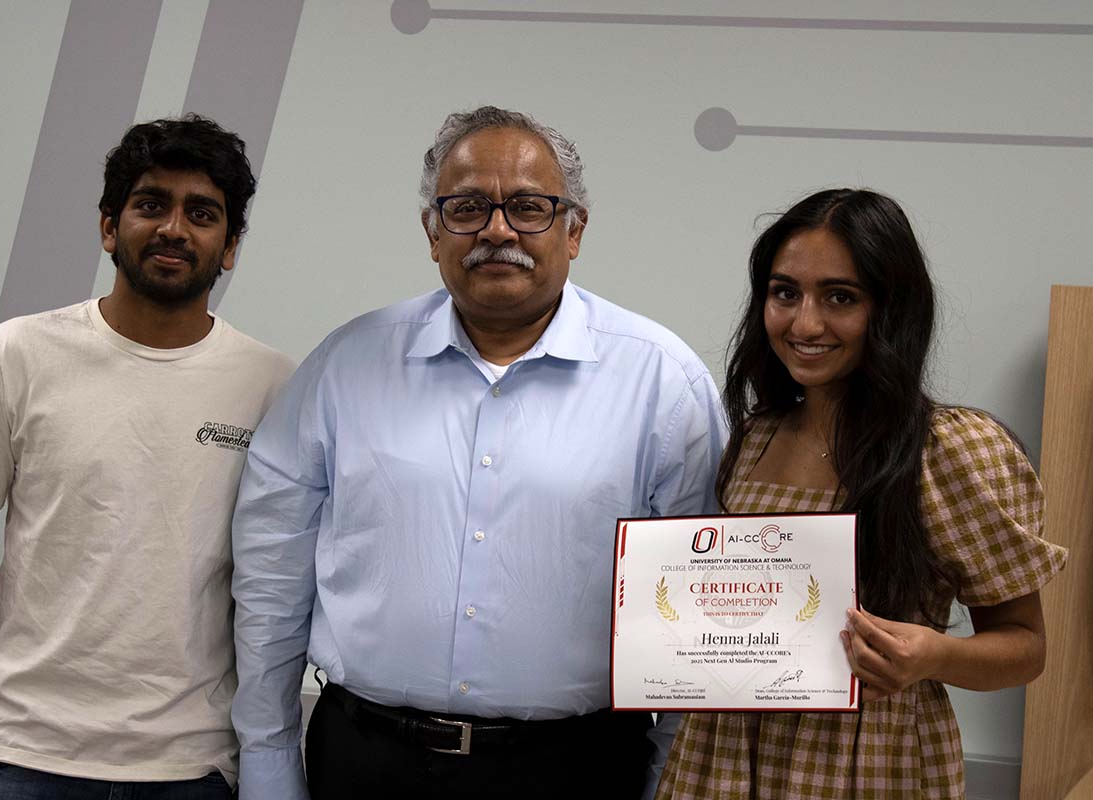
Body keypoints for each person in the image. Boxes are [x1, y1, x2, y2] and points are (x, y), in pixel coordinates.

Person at [231, 105, 726, 800]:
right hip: (367, 762)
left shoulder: (662, 384)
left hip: (577, 769)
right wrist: (268, 762)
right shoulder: (346, 367)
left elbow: (695, 622)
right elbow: (270, 577)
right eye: (467, 208)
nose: (498, 230)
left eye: (528, 206)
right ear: (433, 233)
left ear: (574, 229)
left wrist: (672, 782)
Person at [0, 115, 295, 800]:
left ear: (230, 246)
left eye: (201, 214)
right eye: (151, 205)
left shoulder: (272, 386)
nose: (175, 228)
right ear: (109, 227)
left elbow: (278, 591)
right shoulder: (17, 354)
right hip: (20, 756)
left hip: (190, 771)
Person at [656, 188, 1067, 798]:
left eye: (840, 297)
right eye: (785, 293)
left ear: (890, 309)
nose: (806, 323)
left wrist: (932, 655)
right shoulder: (754, 438)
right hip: (723, 755)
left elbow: (1026, 647)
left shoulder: (951, 450)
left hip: (870, 761)